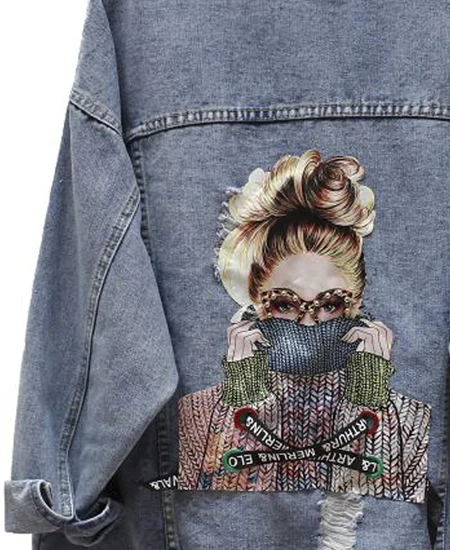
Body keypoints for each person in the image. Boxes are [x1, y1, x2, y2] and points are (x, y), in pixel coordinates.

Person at [176, 148, 432, 506]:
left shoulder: (408, 420)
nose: (309, 322)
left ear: (356, 304)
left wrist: (370, 401)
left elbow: (385, 501)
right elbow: (223, 507)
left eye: (330, 304)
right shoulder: (200, 414)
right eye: (284, 304)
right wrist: (244, 399)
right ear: (256, 301)